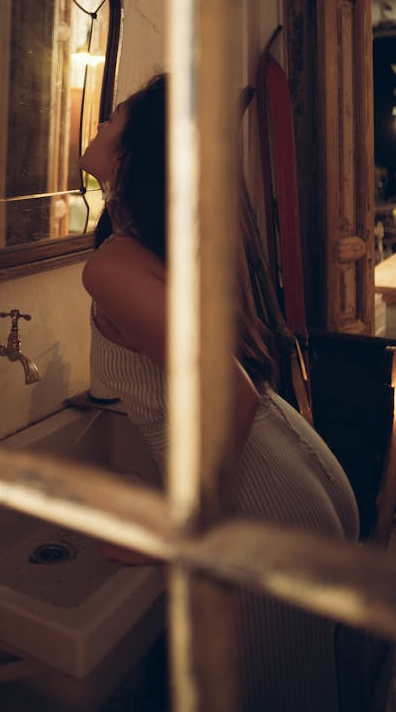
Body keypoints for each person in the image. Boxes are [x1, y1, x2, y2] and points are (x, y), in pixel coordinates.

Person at [80, 73, 363, 712]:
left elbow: (225, 399)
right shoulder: (160, 248)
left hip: (257, 499)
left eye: (113, 116)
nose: (99, 123)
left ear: (132, 151)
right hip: (291, 466)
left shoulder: (112, 267)